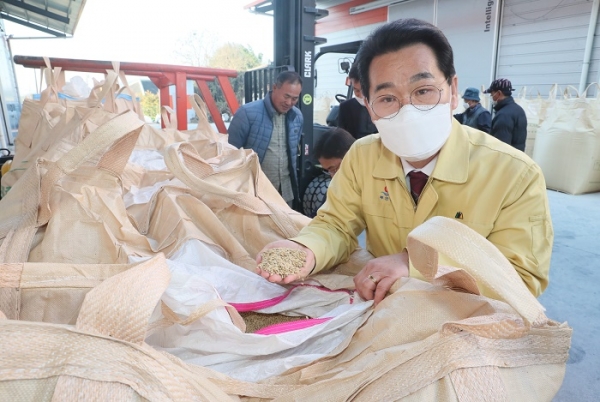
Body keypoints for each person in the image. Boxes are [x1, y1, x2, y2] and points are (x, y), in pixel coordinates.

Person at [256, 18, 553, 304]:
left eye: (423, 91)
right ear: (369, 108)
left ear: (452, 91)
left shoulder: (515, 174)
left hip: (464, 328)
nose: (408, 110)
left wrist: (419, 264)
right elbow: (336, 224)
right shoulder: (362, 157)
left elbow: (522, 278)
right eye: (387, 98)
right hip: (385, 313)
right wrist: (307, 249)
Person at [228, 71, 304, 207]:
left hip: (285, 193)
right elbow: (229, 153)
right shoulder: (246, 113)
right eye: (286, 96)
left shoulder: (297, 116)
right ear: (274, 88)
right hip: (255, 193)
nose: (289, 102)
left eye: (294, 98)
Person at [302, 128, 356, 218]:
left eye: (334, 169)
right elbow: (321, 213)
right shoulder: (337, 186)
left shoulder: (375, 183)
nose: (332, 176)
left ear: (350, 156)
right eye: (328, 171)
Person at [483, 78, 527, 151]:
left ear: (499, 93)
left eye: (492, 94)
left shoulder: (503, 115)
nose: (491, 97)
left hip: (506, 160)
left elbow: (501, 147)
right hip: (517, 157)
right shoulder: (519, 110)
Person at [337, 64, 378, 139]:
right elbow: (341, 138)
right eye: (356, 90)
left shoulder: (384, 106)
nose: (361, 95)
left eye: (364, 90)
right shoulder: (345, 108)